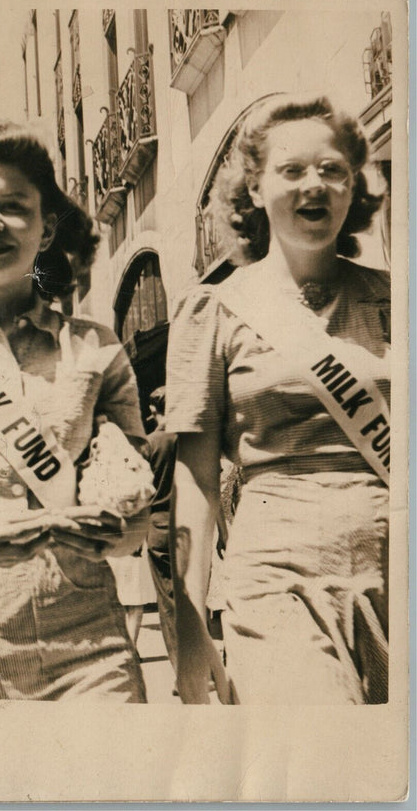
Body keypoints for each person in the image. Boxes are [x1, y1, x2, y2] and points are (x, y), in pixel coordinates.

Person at [0, 120, 149, 701]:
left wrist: (117, 529)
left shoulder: (97, 349)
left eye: (14, 206)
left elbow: (139, 508)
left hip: (89, 647)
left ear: (45, 229)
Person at [166, 94, 390, 705]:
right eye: (291, 171)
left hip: (397, 569)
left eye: (332, 170)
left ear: (353, 188)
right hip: (275, 576)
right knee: (318, 764)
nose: (314, 185)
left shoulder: (398, 300)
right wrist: (190, 630)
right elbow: (197, 481)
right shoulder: (213, 310)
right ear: (255, 189)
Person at [145, 387, 178, 672]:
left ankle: (182, 670)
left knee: (168, 602)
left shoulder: (149, 444)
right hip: (189, 525)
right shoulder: (191, 441)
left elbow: (139, 493)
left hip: (157, 526)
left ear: (153, 410)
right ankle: (201, 664)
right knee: (194, 596)